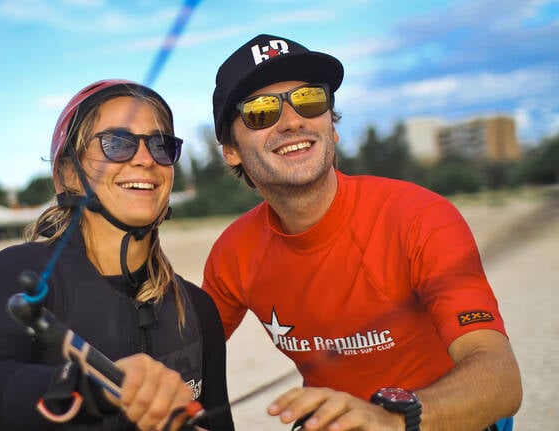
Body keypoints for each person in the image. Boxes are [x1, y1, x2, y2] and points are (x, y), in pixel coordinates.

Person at [202, 34, 522, 431]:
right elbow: (186, 361)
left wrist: (391, 418)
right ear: (230, 149)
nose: (292, 120)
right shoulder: (234, 252)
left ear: (331, 126)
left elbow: (500, 378)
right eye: (261, 111)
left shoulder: (419, 217)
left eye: (310, 100)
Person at [0, 79, 235, 431]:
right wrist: (92, 389)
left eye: (161, 145)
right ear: (68, 173)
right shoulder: (22, 272)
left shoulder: (196, 308)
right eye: (117, 143)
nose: (145, 159)